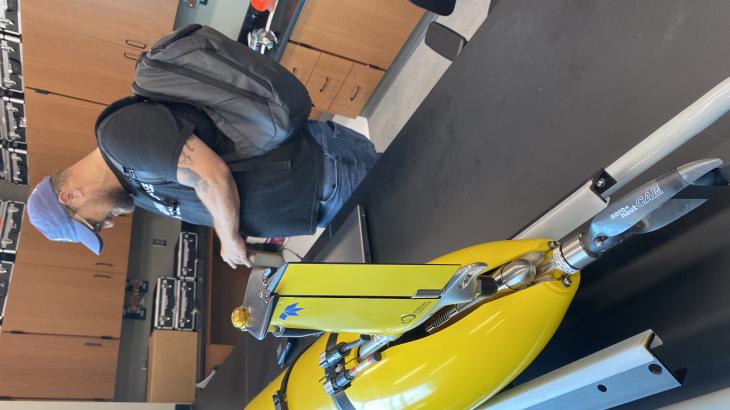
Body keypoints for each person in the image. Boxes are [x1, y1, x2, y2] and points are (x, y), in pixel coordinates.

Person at [27, 98, 378, 269]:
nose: (106, 223)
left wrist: (227, 240)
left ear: (71, 195)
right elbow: (203, 196)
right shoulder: (130, 187)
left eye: (93, 222)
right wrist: (236, 234)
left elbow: (212, 176)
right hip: (315, 200)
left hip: (324, 171)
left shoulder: (120, 137)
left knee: (420, 209)